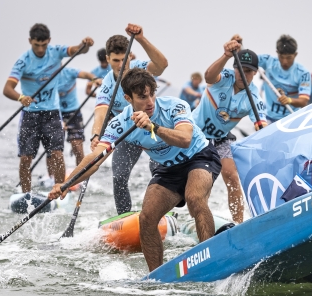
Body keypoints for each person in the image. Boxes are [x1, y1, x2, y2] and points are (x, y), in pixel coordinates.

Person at [48, 68, 221, 272]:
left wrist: (153, 127)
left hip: (199, 156)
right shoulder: (120, 124)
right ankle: (157, 276)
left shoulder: (175, 106)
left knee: (194, 198)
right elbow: (95, 158)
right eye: (142, 97)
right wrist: (68, 184)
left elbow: (185, 139)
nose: (150, 102)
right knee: (146, 219)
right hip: (168, 168)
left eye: (152, 94)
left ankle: (209, 262)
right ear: (128, 98)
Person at [3, 23, 93, 193]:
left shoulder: (56, 52)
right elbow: (7, 89)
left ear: (49, 41)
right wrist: (21, 98)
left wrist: (85, 45)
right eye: (36, 45)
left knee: (57, 155)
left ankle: (61, 192)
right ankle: (25, 194)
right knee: (25, 158)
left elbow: (78, 50)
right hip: (30, 115)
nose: (40, 49)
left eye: (43, 45)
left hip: (52, 114)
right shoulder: (23, 61)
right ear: (30, 41)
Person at [91, 23, 168, 215]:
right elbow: (100, 111)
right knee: (119, 177)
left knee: (161, 173)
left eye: (123, 59)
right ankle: (124, 219)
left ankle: (165, 213)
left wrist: (141, 38)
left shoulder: (141, 69)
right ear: (108, 59)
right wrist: (95, 135)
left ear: (130, 56)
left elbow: (162, 65)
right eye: (115, 60)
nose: (120, 65)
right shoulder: (107, 85)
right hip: (129, 134)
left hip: (154, 130)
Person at [192, 37, 267, 223]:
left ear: (255, 73)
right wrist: (225, 56)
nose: (242, 74)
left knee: (232, 177)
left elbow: (261, 126)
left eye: (248, 71)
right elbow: (208, 76)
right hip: (194, 134)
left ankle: (238, 223)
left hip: (220, 139)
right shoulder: (224, 76)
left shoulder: (254, 97)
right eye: (239, 69)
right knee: (199, 180)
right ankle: (199, 217)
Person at [253, 34, 311, 123]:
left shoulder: (303, 73)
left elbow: (303, 102)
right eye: (281, 57)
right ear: (277, 53)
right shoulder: (268, 61)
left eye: (289, 58)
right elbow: (247, 58)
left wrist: (289, 100)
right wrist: (238, 46)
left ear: (295, 55)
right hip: (268, 118)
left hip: (291, 119)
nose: (284, 61)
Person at [58, 67, 101, 165]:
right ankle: (51, 177)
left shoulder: (69, 71)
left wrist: (94, 79)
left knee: (77, 147)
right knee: (54, 150)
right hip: (55, 113)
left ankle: (80, 176)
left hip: (74, 113)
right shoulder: (46, 76)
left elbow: (86, 74)